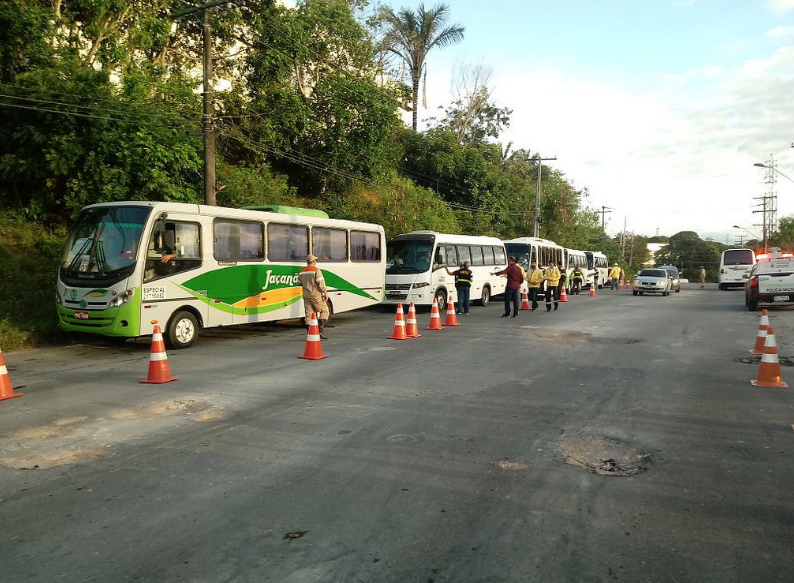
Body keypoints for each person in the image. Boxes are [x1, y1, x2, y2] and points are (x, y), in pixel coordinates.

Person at [298, 254, 330, 339]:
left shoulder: (302, 271)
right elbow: (321, 283)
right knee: (324, 311)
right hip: (316, 295)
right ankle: (319, 331)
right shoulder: (316, 271)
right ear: (314, 261)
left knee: (309, 315)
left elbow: (299, 282)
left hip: (306, 295)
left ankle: (310, 333)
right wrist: (325, 293)